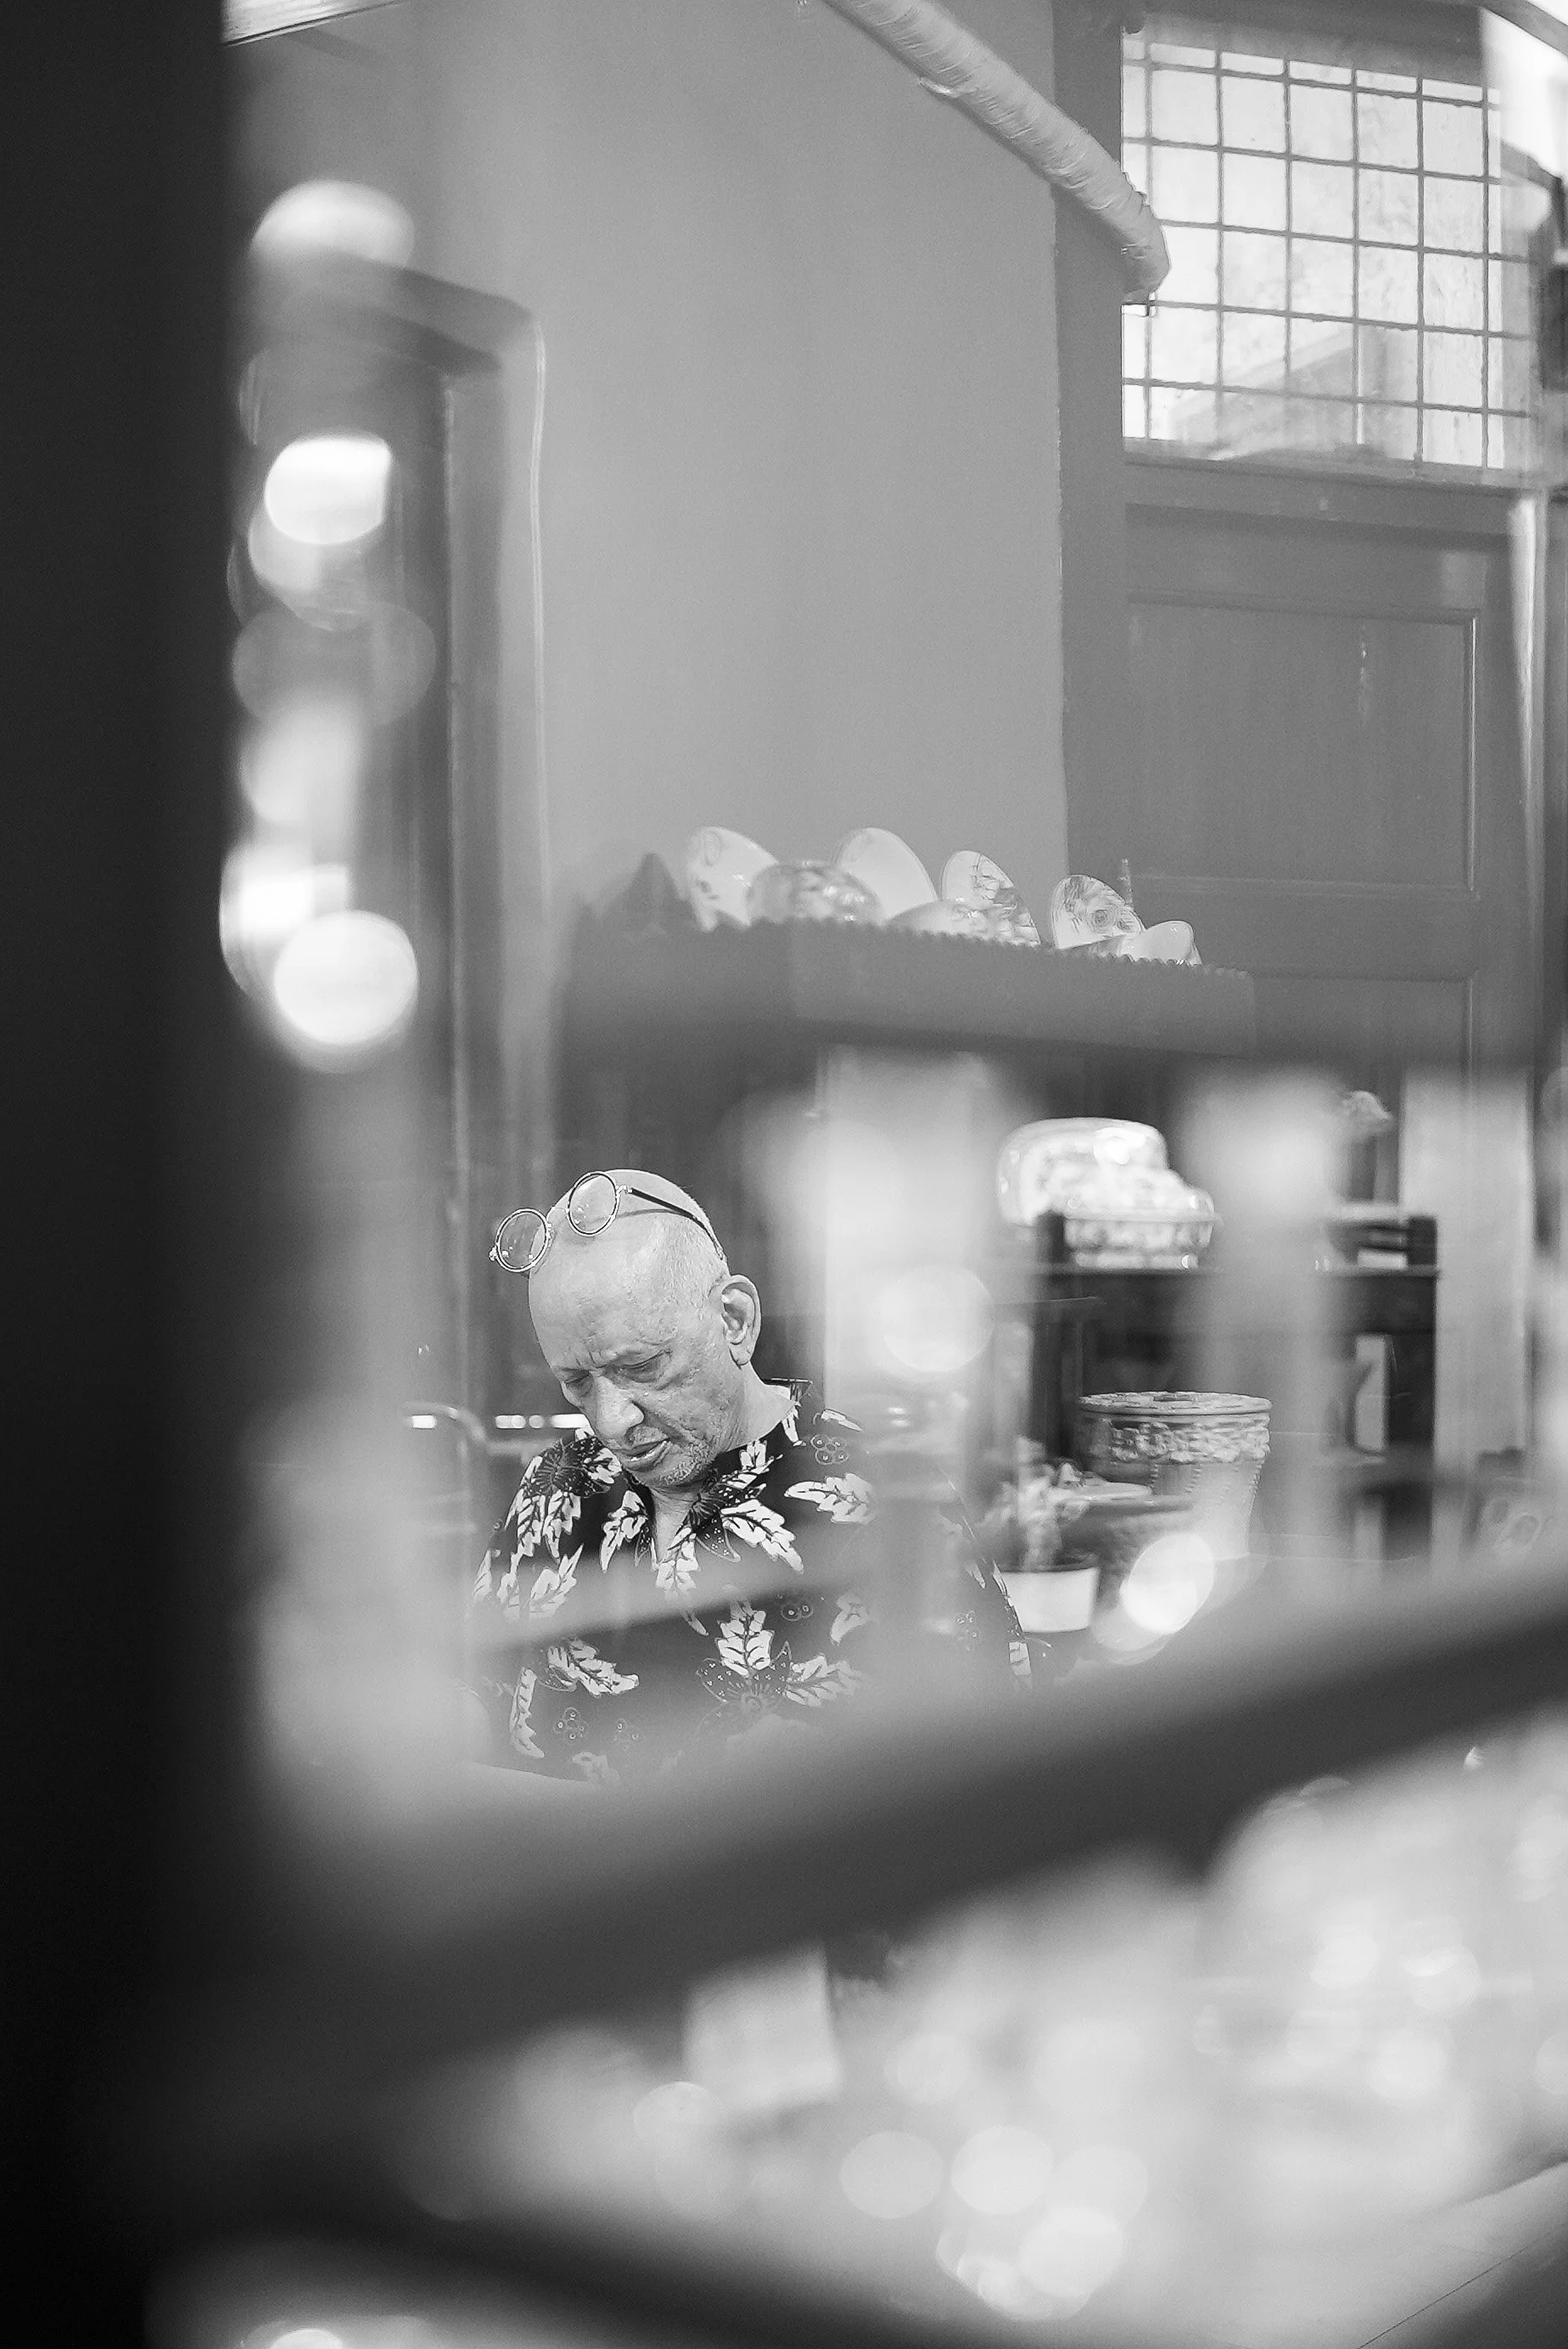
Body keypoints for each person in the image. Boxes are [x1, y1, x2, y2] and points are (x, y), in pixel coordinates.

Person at [465, 1167, 1028, 1790]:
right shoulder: (556, 1488)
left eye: (643, 1367)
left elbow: (992, 1777)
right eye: (576, 1382)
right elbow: (469, 1701)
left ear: (734, 1320)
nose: (611, 1420)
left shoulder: (879, 1503)